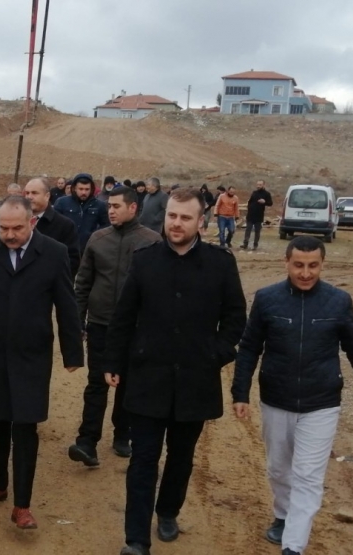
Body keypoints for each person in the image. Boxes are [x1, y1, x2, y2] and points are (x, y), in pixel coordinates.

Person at [104, 188, 247, 555]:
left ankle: (168, 511)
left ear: (202, 221)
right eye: (171, 216)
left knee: (181, 456)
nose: (176, 223)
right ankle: (136, 539)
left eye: (185, 217)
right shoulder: (145, 260)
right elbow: (123, 317)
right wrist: (114, 361)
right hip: (147, 378)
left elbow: (235, 319)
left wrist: (214, 355)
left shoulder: (220, 263)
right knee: (143, 459)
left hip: (195, 382)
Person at [231, 236, 353, 555]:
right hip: (276, 399)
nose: (305, 273)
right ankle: (282, 514)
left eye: (313, 265)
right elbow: (249, 347)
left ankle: (293, 545)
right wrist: (240, 392)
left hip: (322, 403)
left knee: (308, 475)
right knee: (279, 468)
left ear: (322, 265)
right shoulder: (267, 299)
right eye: (299, 265)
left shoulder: (339, 302)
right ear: (286, 262)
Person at [0, 196, 84, 530]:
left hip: (32, 357)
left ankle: (22, 505)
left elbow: (66, 302)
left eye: (17, 228)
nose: (9, 234)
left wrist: (72, 352)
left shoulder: (54, 252)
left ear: (32, 222)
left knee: (26, 428)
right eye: (3, 228)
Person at [69, 187, 161, 466]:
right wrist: (79, 321)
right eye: (109, 205)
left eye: (116, 206)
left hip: (136, 328)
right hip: (100, 324)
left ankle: (123, 435)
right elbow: (83, 283)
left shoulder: (152, 241)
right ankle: (87, 442)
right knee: (97, 382)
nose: (110, 210)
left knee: (128, 384)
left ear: (133, 208)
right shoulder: (98, 239)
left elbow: (158, 291)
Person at [24, 177, 81, 276]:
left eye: (34, 193)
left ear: (47, 196)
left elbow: (72, 262)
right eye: (27, 193)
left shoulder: (64, 225)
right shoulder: (17, 222)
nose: (29, 197)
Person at [53, 173, 110, 252]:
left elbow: (106, 225)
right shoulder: (62, 203)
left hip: (88, 249)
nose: (84, 192)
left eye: (87, 189)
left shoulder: (99, 205)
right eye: (81, 189)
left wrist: (94, 236)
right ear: (75, 188)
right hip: (65, 249)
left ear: (91, 190)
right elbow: (54, 223)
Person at [240, 179, 273, 250]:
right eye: (257, 185)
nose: (258, 186)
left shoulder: (267, 194)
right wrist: (249, 208)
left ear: (264, 185)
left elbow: (270, 203)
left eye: (260, 185)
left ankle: (255, 245)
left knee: (257, 231)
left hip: (259, 215)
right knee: (248, 230)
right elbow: (250, 201)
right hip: (250, 215)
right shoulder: (254, 192)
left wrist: (264, 202)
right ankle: (245, 244)